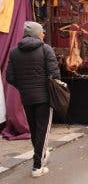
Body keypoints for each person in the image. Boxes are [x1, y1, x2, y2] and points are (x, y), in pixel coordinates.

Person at [6, 21, 60, 177]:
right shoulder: (45, 49)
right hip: (44, 97)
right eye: (42, 31)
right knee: (43, 130)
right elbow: (54, 74)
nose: (44, 34)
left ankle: (40, 155)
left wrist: (23, 86)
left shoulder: (14, 51)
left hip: (27, 97)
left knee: (35, 129)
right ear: (37, 33)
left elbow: (10, 77)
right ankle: (37, 166)